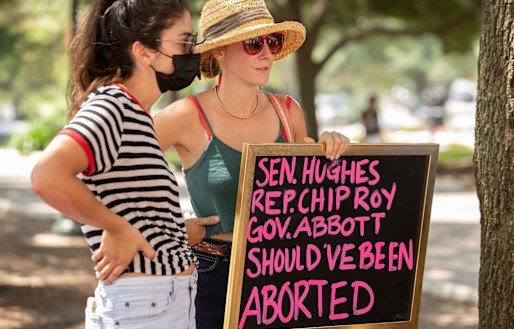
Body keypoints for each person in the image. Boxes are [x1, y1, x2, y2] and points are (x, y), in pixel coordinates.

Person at [153, 0, 350, 327]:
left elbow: (314, 201)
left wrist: (329, 150)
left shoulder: (289, 112)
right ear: (218, 53)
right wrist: (170, 230)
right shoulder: (186, 116)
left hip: (284, 274)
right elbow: (119, 168)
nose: (267, 54)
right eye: (253, 43)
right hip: (214, 276)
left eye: (271, 42)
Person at [30, 0, 202, 327]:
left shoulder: (136, 114)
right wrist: (115, 228)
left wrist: (175, 232)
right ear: (145, 51)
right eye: (183, 41)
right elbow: (46, 175)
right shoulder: (114, 106)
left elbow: (127, 203)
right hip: (146, 307)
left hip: (158, 304)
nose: (192, 51)